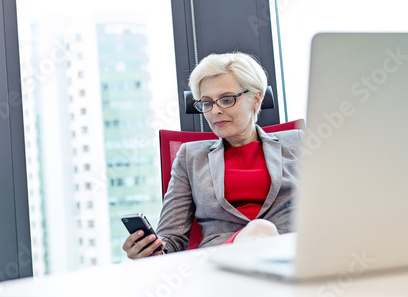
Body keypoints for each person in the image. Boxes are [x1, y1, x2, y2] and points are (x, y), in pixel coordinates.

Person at [122, 52, 304, 259]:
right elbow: (171, 237)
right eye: (207, 103)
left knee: (262, 230)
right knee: (259, 229)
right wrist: (148, 248)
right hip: (221, 260)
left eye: (226, 99)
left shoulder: (298, 142)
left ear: (256, 99)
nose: (214, 111)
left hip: (291, 255)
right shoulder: (190, 157)